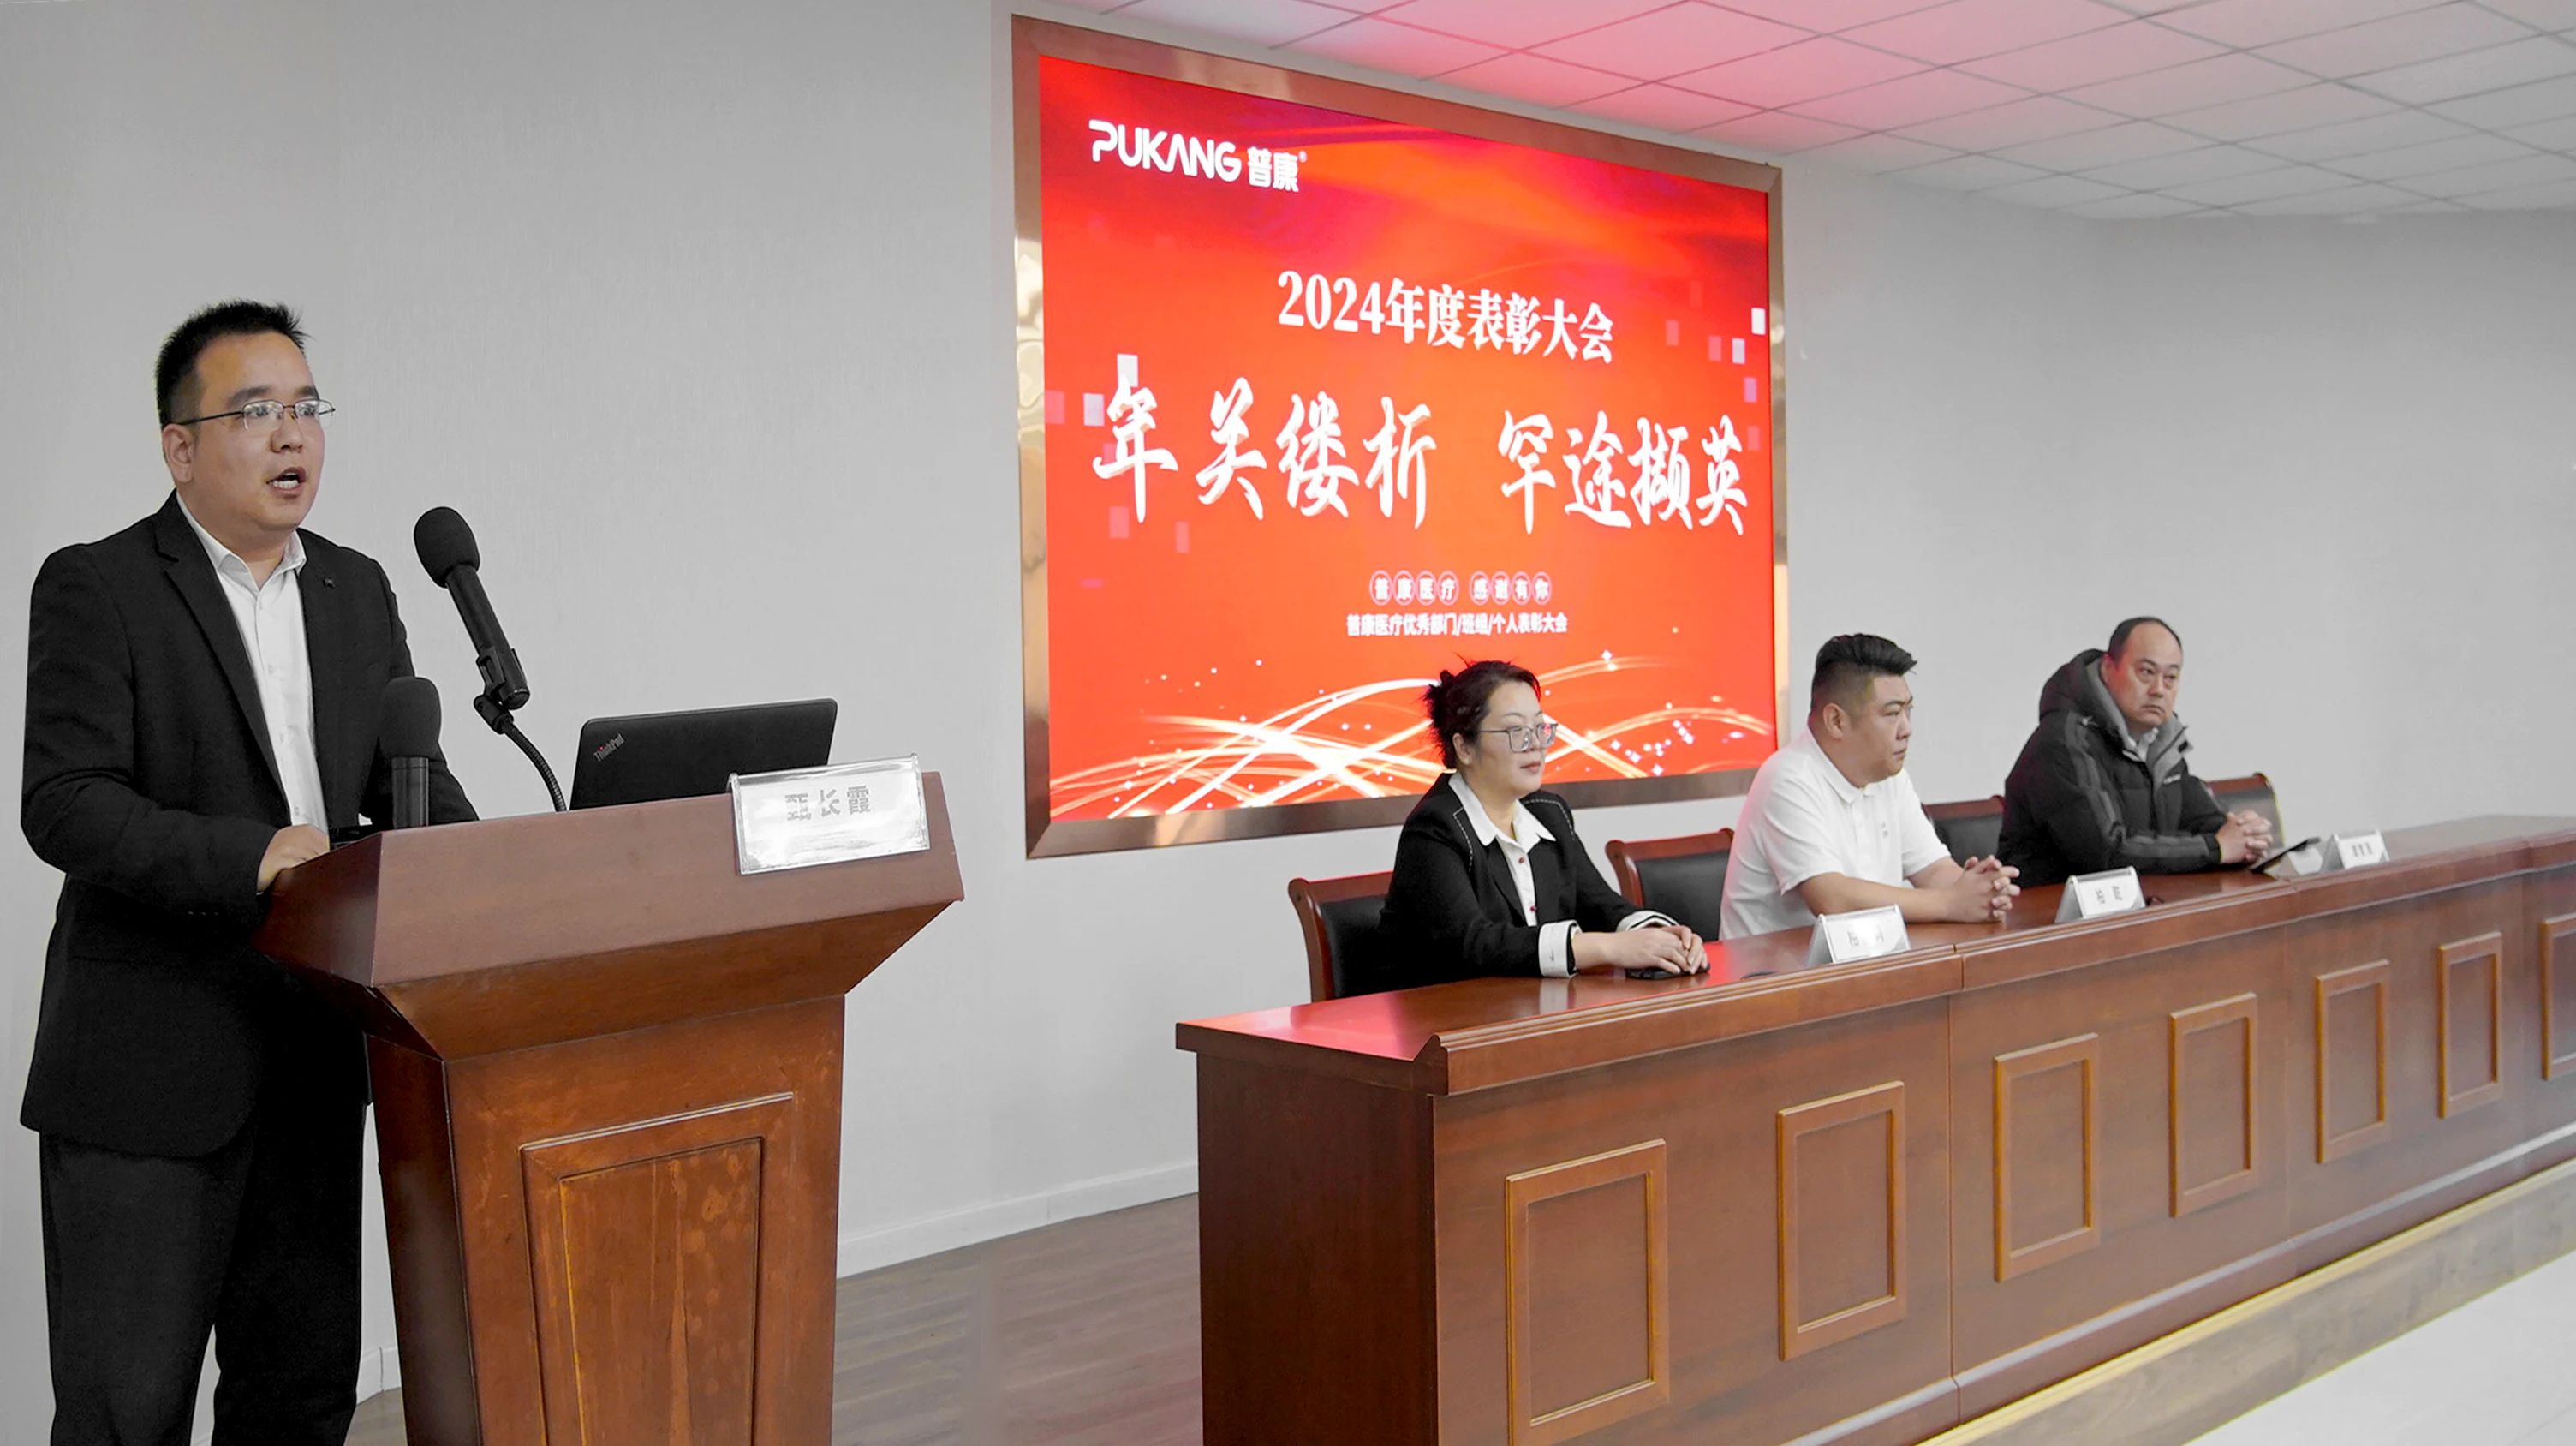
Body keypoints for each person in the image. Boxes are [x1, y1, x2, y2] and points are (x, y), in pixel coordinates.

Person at [21, 300, 475, 1445]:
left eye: (307, 408)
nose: (292, 435)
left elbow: (411, 784)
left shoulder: (358, 590)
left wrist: (500, 866)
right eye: (256, 411)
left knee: (300, 1399)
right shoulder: (100, 585)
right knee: (127, 1413)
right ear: (180, 447)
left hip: (313, 1059)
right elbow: (65, 802)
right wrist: (253, 855)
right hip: (149, 1074)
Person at [1377, 660, 1708, 993]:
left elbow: (1601, 904)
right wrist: (1609, 948)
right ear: (1464, 747)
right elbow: (1475, 943)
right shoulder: (1435, 828)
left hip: (1530, 1009)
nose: (1535, 743)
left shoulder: (1549, 814)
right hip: (1446, 1017)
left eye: (1539, 728)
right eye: (1515, 731)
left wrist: (1660, 937)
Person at [1721, 634, 2018, 941]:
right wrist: (1951, 903)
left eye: (1908, 711)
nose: (1907, 729)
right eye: (1892, 714)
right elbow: (1832, 899)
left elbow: (1933, 870)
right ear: (1836, 721)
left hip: (1864, 960)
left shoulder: (1889, 776)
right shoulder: (1788, 778)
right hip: (1771, 968)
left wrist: (1981, 891)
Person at [1997, 617, 2272, 887]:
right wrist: (2216, 848)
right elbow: (2107, 851)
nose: (2159, 690)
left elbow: (2197, 817)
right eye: (2146, 672)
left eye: (2171, 677)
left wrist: (2243, 836)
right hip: (2048, 910)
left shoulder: (2160, 741)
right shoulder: (2063, 740)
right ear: (2108, 669)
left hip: (2141, 903)